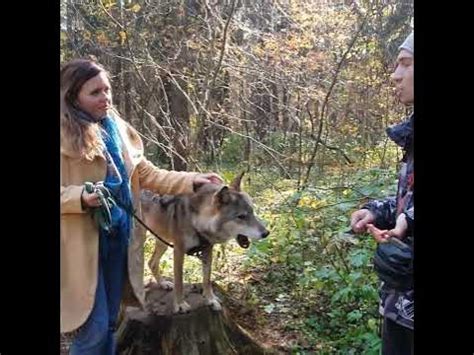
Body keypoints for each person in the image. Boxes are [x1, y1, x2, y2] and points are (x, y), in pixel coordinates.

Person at [60, 58, 222, 354]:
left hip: (118, 236)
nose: (105, 98)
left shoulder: (116, 127)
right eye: (95, 92)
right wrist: (80, 198)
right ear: (72, 96)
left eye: (107, 89)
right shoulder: (62, 133)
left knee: (109, 322)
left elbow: (144, 173)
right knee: (93, 330)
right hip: (78, 246)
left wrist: (192, 181)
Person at [350, 31, 414, 355]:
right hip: (401, 309)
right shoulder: (413, 137)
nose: (395, 75)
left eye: (405, 63)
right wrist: (377, 211)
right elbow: (408, 199)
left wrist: (407, 223)